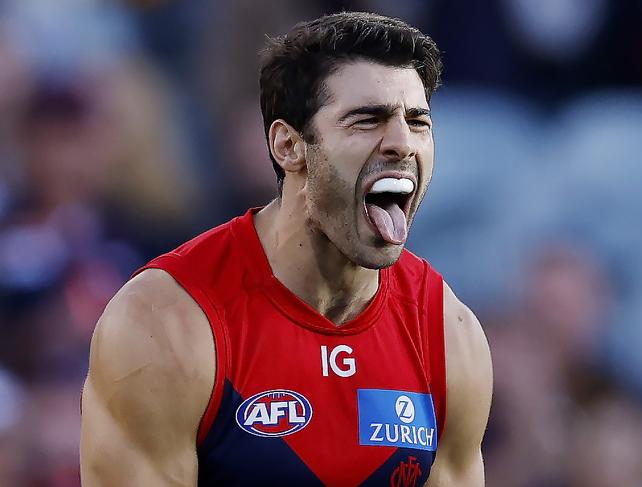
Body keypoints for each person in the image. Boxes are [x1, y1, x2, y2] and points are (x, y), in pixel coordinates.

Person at [80, 11, 492, 487]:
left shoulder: (447, 333)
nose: (402, 143)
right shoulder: (166, 322)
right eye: (367, 120)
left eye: (418, 122)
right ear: (289, 147)